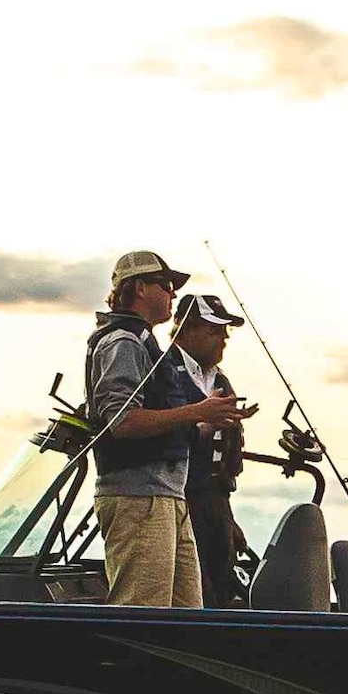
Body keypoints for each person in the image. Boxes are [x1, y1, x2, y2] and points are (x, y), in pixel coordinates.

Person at [81, 250, 250, 608]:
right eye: (166, 285)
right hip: (139, 498)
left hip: (167, 498)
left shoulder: (142, 342)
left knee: (188, 612)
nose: (173, 294)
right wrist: (196, 412)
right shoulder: (123, 342)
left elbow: (156, 423)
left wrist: (207, 423)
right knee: (142, 612)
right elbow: (121, 421)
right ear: (140, 288)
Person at [174, 290, 258, 606]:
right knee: (192, 588)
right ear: (186, 329)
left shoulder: (221, 381)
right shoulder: (165, 373)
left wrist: (228, 517)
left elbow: (228, 454)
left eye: (225, 331)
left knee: (221, 586)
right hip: (177, 499)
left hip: (214, 502)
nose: (223, 338)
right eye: (214, 330)